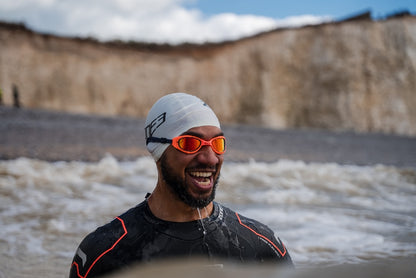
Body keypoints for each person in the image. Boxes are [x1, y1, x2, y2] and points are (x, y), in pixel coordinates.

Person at [69, 93, 293, 278]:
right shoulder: (105, 252)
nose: (210, 159)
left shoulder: (261, 247)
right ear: (159, 152)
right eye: (190, 144)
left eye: (217, 144)